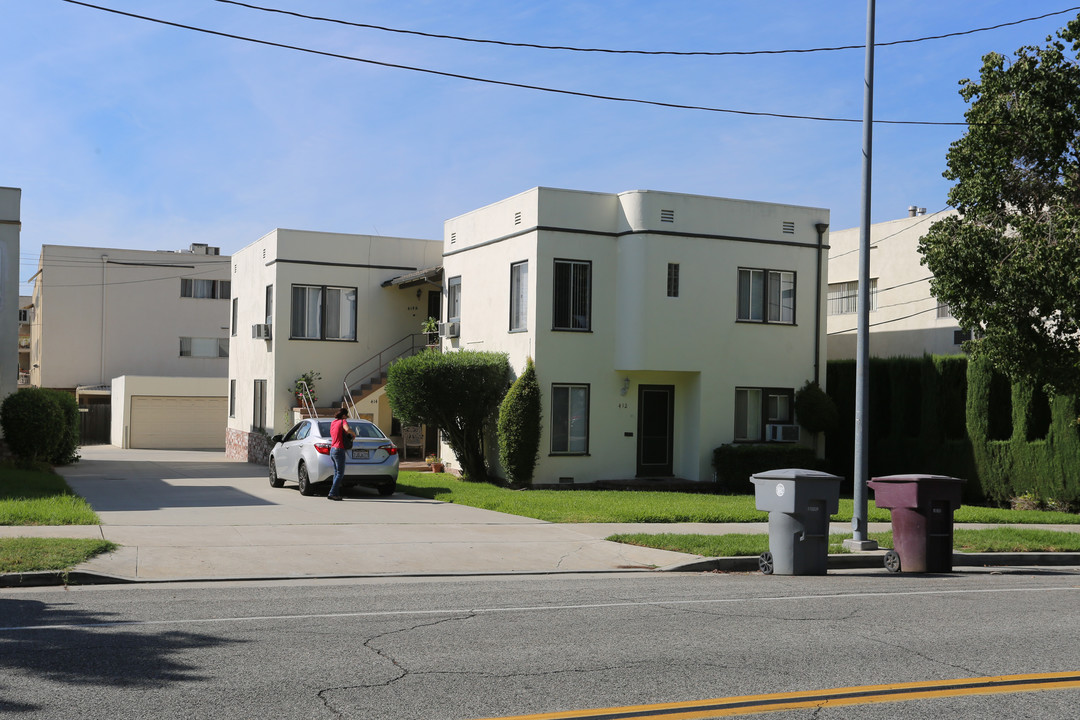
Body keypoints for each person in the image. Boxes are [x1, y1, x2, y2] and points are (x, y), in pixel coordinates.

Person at [327, 407, 354, 501]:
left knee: (336, 473)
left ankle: (336, 494)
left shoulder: (333, 422)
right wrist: (353, 434)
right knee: (340, 473)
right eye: (346, 416)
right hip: (339, 449)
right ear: (343, 415)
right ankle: (332, 493)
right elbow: (347, 429)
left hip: (332, 449)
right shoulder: (343, 421)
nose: (346, 418)